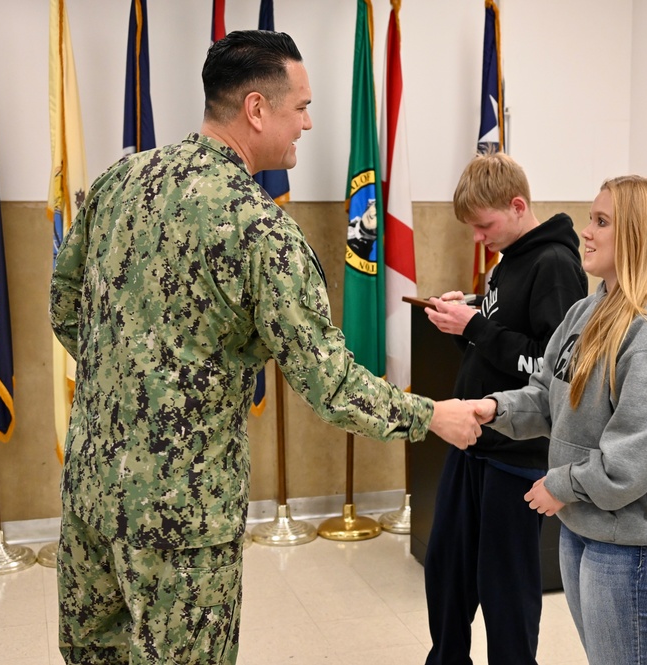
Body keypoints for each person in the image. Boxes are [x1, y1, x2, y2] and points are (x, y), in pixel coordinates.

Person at [49, 30, 482, 665]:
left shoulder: (119, 181)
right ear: (257, 108)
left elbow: (65, 309)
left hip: (91, 491)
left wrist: (129, 381)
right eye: (300, 107)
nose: (307, 123)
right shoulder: (261, 230)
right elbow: (329, 384)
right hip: (182, 521)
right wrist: (431, 415)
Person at [469, 175, 647, 665]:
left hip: (635, 538)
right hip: (585, 523)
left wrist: (562, 485)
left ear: (639, 235)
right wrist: (492, 409)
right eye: (590, 218)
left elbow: (644, 452)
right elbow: (546, 396)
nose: (586, 231)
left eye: (602, 222)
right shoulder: (586, 311)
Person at [421, 152, 588, 665]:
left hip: (517, 454)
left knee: (506, 589)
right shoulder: (508, 259)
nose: (478, 237)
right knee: (446, 570)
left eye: (484, 224)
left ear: (517, 206)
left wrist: (476, 328)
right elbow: (498, 351)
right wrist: (463, 325)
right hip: (474, 441)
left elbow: (550, 366)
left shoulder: (555, 266)